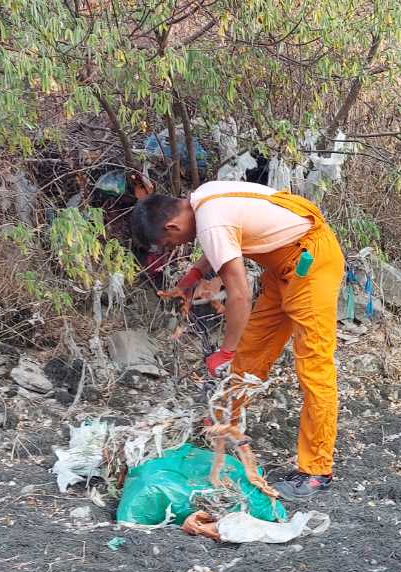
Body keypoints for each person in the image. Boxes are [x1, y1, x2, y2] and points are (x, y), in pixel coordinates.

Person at [128, 180, 345, 500]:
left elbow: (239, 296)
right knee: (251, 357)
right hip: (285, 266)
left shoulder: (211, 221)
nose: (177, 247)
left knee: (314, 366)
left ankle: (316, 470)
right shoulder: (201, 200)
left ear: (172, 225)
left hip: (311, 263)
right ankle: (219, 433)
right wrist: (193, 276)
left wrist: (225, 350)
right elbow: (223, 241)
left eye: (171, 242)